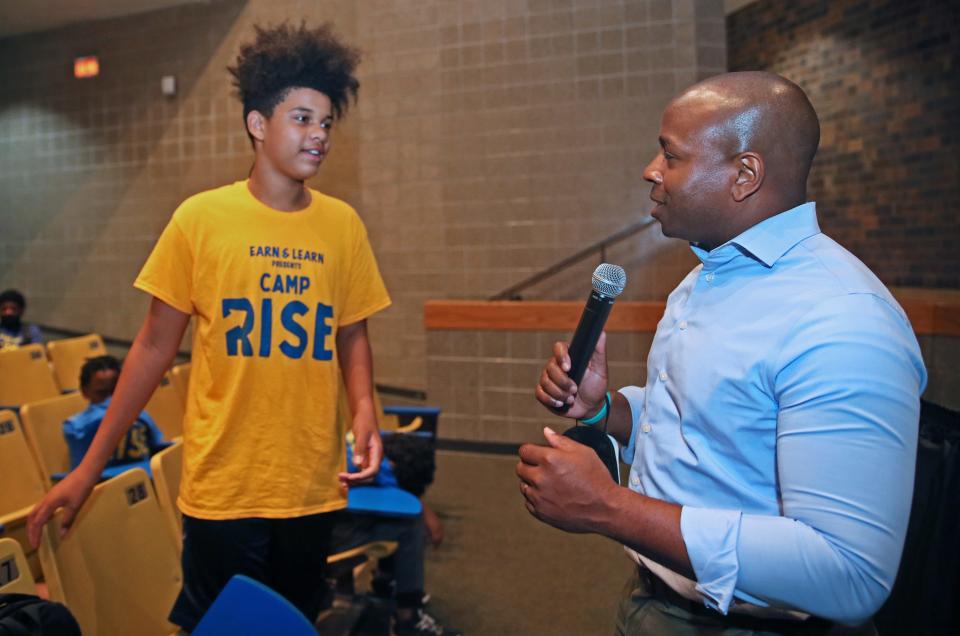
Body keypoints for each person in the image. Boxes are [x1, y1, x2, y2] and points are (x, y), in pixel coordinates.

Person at [522, 71, 926, 635]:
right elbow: (706, 432)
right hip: (656, 601)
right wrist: (604, 410)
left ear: (744, 175)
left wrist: (608, 507)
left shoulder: (842, 319)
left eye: (671, 154)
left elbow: (849, 573)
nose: (650, 170)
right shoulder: (703, 279)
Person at [27, 22, 391, 632]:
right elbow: (150, 348)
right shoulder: (200, 219)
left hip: (310, 485)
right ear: (257, 123)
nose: (319, 135)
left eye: (326, 122)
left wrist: (364, 411)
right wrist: (89, 467)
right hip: (225, 488)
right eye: (302, 118)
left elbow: (351, 332)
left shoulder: (342, 225)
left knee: (293, 623)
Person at [331, 432, 460, 636]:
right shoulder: (371, 465)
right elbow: (387, 471)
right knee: (408, 523)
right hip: (320, 544)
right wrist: (425, 512)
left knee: (384, 512)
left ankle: (372, 586)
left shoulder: (349, 450)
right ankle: (409, 618)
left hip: (305, 534)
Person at [63, 355, 165, 471]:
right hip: (104, 483)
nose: (110, 401)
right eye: (101, 393)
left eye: (115, 391)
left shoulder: (140, 414)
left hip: (145, 475)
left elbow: (158, 448)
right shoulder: (76, 427)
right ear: (85, 391)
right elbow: (79, 472)